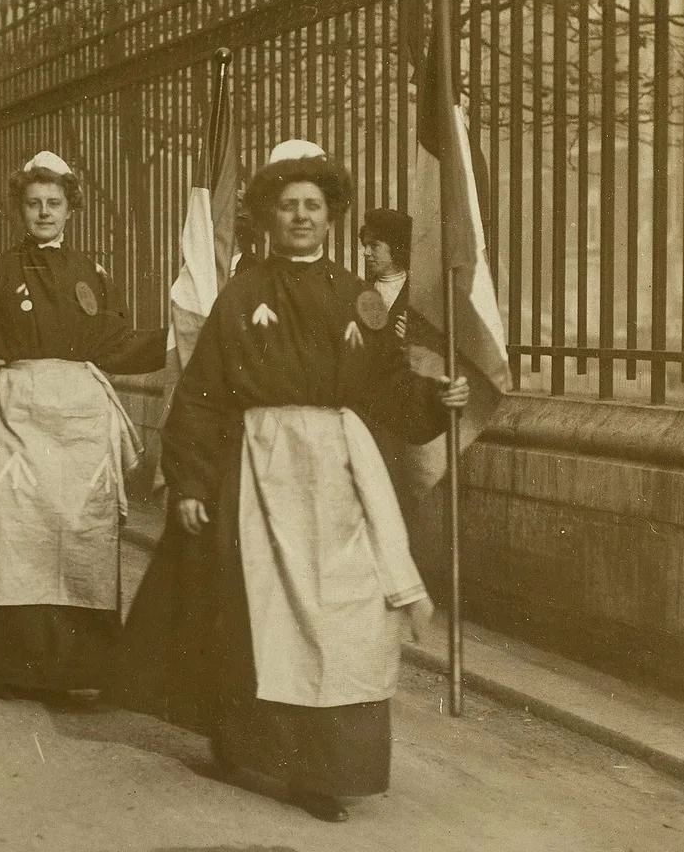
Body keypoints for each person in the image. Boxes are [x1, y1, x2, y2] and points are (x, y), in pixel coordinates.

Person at [115, 144, 469, 822]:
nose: (301, 217)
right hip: (261, 469)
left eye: (312, 206)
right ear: (270, 218)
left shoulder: (357, 298)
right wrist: (190, 480)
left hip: (340, 474)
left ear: (331, 216)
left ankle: (329, 770)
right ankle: (257, 752)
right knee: (265, 616)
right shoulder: (243, 294)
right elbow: (201, 395)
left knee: (348, 616)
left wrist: (434, 401)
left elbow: (388, 385)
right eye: (288, 206)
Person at [0, 151, 166, 702]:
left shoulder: (93, 274)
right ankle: (15, 663)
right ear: (19, 210)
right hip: (15, 418)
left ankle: (80, 666)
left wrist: (176, 343)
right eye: (33, 204)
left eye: (53, 203)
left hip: (80, 423)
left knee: (79, 533)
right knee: (13, 535)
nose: (44, 212)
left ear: (70, 208)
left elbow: (116, 342)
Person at [361, 207, 412, 342]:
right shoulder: (360, 291)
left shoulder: (418, 294)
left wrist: (414, 341)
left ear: (395, 247)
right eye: (365, 245)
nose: (366, 253)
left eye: (374, 245)